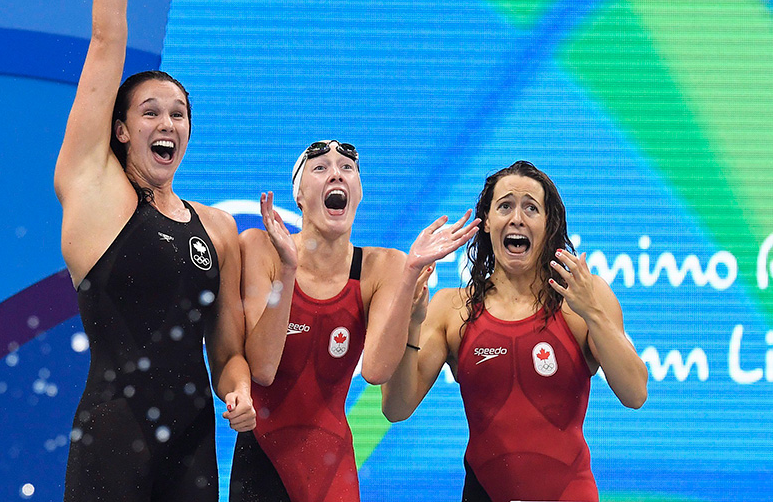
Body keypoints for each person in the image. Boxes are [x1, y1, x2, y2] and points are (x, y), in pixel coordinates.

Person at [54, 0, 255, 502]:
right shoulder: (94, 192)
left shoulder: (215, 228)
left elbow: (226, 353)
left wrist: (239, 388)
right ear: (118, 131)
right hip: (114, 438)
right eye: (149, 112)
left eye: (179, 114)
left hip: (194, 443)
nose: (167, 122)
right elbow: (108, 38)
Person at [381, 160, 648, 502]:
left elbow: (635, 393)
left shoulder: (583, 297)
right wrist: (412, 323)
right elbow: (397, 408)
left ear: (548, 224)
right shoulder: (453, 309)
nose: (517, 218)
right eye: (505, 205)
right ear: (487, 221)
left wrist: (593, 312)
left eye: (531, 208)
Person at [229, 140, 480, 502]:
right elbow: (264, 368)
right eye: (320, 168)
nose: (336, 173)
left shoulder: (384, 267)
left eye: (347, 168)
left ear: (358, 192)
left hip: (332, 468)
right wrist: (288, 268)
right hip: (260, 460)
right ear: (299, 195)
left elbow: (376, 371)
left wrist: (409, 274)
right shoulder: (261, 247)